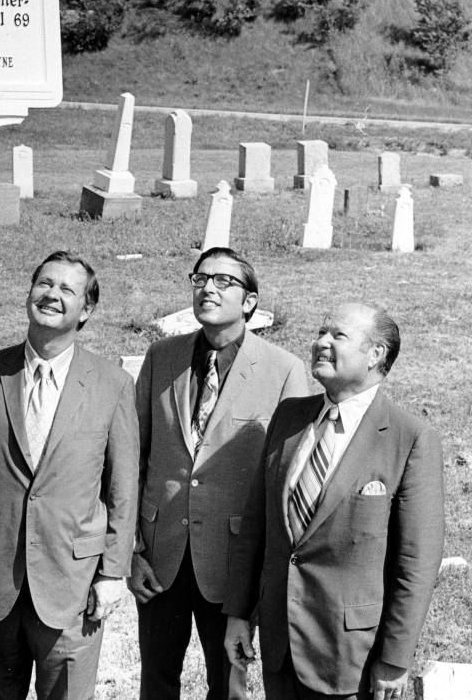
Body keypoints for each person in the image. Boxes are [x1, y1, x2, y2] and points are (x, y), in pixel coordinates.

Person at [224, 301, 445, 700]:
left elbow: (416, 562)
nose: (320, 342)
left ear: (376, 354)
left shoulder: (409, 438)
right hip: (280, 647)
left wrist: (395, 658)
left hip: (350, 660)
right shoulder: (289, 418)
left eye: (337, 335)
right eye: (320, 332)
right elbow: (257, 523)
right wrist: (240, 614)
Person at [131, 246, 308, 700]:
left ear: (250, 301)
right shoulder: (161, 357)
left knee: (229, 684)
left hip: (232, 561)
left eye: (223, 281)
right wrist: (132, 550)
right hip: (160, 555)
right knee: (155, 681)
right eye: (201, 278)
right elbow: (134, 457)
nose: (208, 288)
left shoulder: (284, 371)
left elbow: (288, 479)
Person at [0, 250, 139, 700]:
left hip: (73, 582)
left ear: (86, 310)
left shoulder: (112, 384)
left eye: (68, 289)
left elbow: (123, 488)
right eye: (45, 284)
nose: (52, 295)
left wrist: (112, 573)